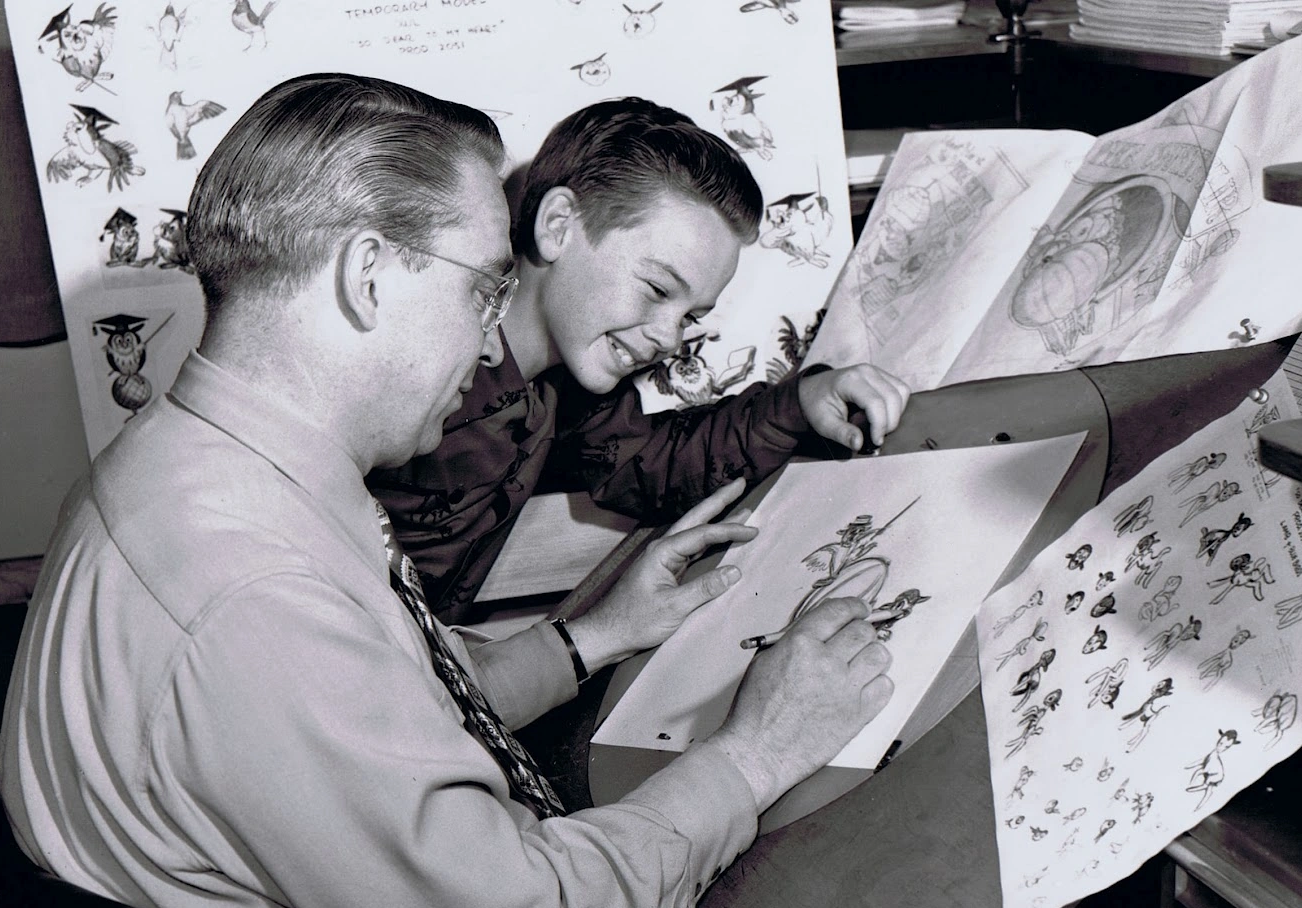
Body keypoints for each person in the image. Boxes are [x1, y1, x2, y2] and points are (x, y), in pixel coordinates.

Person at [0, 73, 895, 908]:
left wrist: (588, 637)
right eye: (481, 288)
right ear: (369, 276)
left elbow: (392, 717)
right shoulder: (254, 589)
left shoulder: (201, 472)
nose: (489, 337)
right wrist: (758, 749)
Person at [370, 96, 911, 620]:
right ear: (558, 226)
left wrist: (796, 404)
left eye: (690, 316)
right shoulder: (420, 366)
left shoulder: (564, 390)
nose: (670, 338)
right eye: (657, 288)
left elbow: (656, 462)